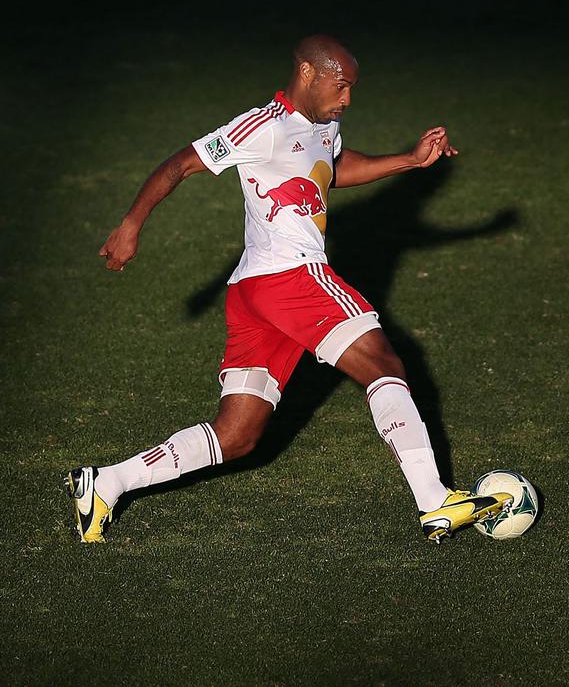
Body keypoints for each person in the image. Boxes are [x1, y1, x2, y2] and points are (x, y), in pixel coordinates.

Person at [67, 35, 511, 545]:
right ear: (307, 73)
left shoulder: (325, 126)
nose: (347, 99)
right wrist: (131, 224)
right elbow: (180, 164)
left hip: (255, 293)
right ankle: (435, 499)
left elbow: (330, 171)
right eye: (340, 86)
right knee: (383, 365)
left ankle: (106, 482)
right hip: (292, 277)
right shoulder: (263, 126)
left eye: (352, 89)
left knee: (237, 436)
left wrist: (409, 161)